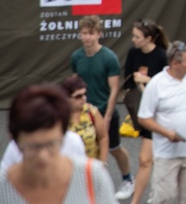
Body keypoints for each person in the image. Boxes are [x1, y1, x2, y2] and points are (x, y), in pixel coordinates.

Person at [0, 85, 115, 202]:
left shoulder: (93, 175)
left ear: (64, 135)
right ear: (14, 141)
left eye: (51, 144)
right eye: (33, 146)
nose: (43, 155)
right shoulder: (1, 189)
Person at [136, 41, 186, 204]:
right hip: (166, 155)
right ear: (174, 63)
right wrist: (167, 133)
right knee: (163, 197)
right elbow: (143, 118)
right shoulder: (157, 84)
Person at [71, 15, 134, 199]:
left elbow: (114, 90)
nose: (87, 37)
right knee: (84, 149)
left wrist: (106, 117)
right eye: (84, 33)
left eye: (91, 33)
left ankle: (128, 179)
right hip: (84, 114)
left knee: (114, 148)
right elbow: (75, 84)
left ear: (99, 34)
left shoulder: (109, 58)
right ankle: (88, 185)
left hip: (106, 112)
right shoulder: (76, 57)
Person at [122, 19, 170, 204]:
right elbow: (129, 83)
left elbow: (167, 89)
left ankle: (137, 200)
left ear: (149, 38)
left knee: (145, 159)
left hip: (159, 113)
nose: (133, 39)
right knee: (154, 157)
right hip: (142, 111)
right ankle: (159, 192)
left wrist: (146, 81)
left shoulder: (162, 56)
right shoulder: (133, 53)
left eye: (137, 36)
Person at [61, 75, 108, 162]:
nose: (84, 98)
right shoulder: (58, 117)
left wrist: (103, 162)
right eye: (78, 96)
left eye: (85, 94)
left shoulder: (92, 111)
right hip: (68, 171)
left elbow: (103, 137)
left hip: (91, 168)